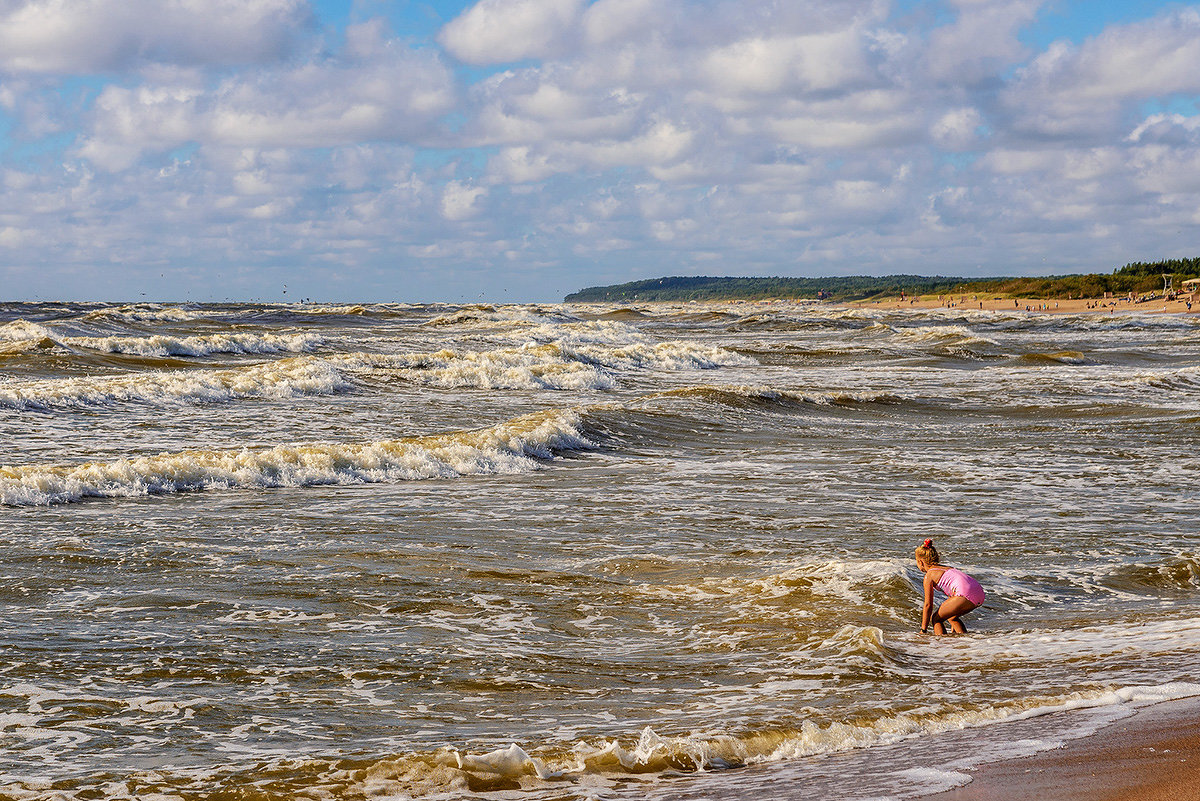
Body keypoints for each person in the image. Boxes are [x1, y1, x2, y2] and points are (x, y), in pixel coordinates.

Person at [914, 539, 985, 635]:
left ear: (921, 562)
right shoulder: (945, 568)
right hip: (979, 593)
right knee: (952, 617)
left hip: (965, 593)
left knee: (936, 619)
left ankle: (942, 646)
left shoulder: (929, 575)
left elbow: (928, 605)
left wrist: (923, 630)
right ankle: (965, 641)